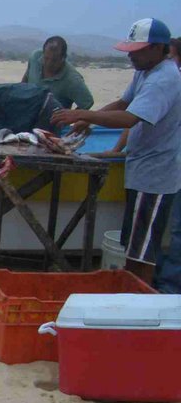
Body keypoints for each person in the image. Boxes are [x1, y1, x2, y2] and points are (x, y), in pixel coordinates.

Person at [51, 19, 181, 286]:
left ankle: (138, 300)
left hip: (156, 174)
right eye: (130, 50)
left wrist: (81, 113)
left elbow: (129, 118)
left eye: (138, 50)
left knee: (143, 251)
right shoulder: (145, 71)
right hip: (140, 167)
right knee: (134, 243)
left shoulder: (164, 79)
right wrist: (91, 118)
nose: (132, 55)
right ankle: (131, 292)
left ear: (159, 49)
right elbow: (124, 102)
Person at [152, 37, 181, 293]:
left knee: (177, 231)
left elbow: (136, 116)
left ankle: (169, 289)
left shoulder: (170, 80)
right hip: (169, 169)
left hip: (171, 168)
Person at [21, 36, 94, 110]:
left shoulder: (72, 80)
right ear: (43, 53)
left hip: (51, 119)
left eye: (54, 60)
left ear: (64, 57)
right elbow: (26, 78)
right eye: (46, 58)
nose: (48, 64)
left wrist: (73, 117)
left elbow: (87, 103)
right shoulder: (35, 57)